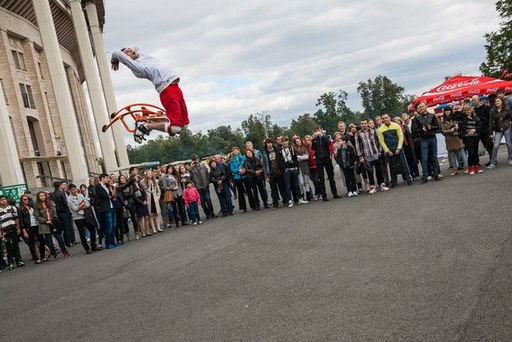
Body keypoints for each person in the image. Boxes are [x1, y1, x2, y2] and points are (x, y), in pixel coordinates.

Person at [111, 47, 189, 143]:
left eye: (130, 49)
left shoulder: (142, 55)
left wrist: (128, 51)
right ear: (126, 59)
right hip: (167, 90)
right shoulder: (138, 68)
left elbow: (136, 48)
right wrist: (115, 60)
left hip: (176, 88)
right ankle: (145, 126)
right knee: (176, 128)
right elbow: (117, 53)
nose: (131, 50)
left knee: (184, 126)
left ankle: (155, 121)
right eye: (127, 52)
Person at [354, 119, 389, 194]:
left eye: (365, 123)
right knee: (369, 172)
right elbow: (357, 146)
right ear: (360, 125)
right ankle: (373, 186)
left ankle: (382, 184)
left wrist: (379, 152)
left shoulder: (373, 131)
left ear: (367, 124)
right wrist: (360, 156)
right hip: (366, 156)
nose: (363, 125)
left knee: (379, 170)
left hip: (375, 153)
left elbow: (379, 141)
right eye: (362, 123)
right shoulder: (358, 133)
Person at [378, 114, 412, 187]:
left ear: (389, 118)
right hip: (389, 151)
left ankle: (408, 178)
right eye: (383, 118)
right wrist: (387, 151)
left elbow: (401, 136)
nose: (385, 119)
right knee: (392, 166)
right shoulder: (381, 129)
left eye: (386, 118)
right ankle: (393, 181)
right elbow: (382, 141)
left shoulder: (396, 126)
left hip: (398, 149)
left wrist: (399, 148)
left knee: (403, 164)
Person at [411, 102, 441, 184]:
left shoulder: (432, 115)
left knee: (434, 157)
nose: (421, 108)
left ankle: (436, 174)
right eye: (419, 107)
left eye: (422, 106)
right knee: (424, 159)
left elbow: (437, 126)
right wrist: (421, 129)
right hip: (424, 139)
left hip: (432, 138)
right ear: (417, 109)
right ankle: (425, 176)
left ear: (426, 107)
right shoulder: (416, 119)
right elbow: (414, 130)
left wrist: (432, 127)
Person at [34, 191, 70, 258]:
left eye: (43, 195)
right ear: (38, 197)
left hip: (53, 223)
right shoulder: (36, 206)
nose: (43, 197)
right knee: (49, 241)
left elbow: (54, 212)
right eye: (41, 196)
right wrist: (45, 221)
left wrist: (53, 219)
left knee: (60, 239)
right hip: (45, 225)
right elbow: (37, 217)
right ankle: (54, 253)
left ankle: (65, 252)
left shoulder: (49, 203)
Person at [311, 126, 340, 201]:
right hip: (319, 159)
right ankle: (324, 195)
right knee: (321, 178)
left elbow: (328, 143)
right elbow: (313, 148)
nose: (318, 131)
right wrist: (314, 139)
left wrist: (322, 136)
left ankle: (335, 193)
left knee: (331, 176)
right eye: (317, 130)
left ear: (322, 130)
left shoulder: (326, 137)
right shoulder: (315, 139)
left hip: (327, 158)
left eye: (320, 130)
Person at [67, 184, 97, 254]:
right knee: (82, 233)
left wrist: (81, 206)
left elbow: (88, 204)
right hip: (78, 218)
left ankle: (93, 246)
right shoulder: (69, 199)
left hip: (85, 215)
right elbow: (75, 209)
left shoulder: (80, 195)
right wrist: (81, 205)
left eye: (75, 188)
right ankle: (87, 248)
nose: (74, 190)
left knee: (92, 229)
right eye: (72, 189)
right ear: (70, 190)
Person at [18, 194, 47, 264]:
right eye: (25, 199)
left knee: (42, 241)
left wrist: (29, 197)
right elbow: (21, 221)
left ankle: (42, 256)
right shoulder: (21, 210)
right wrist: (24, 231)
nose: (27, 200)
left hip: (36, 225)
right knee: (32, 244)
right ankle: (36, 258)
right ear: (22, 201)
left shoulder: (31, 207)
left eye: (27, 199)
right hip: (29, 227)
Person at [441, 106, 468, 176]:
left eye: (449, 110)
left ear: (451, 111)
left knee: (462, 153)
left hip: (457, 137)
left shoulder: (455, 117)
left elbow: (459, 126)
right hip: (449, 139)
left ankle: (466, 167)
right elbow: (443, 131)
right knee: (452, 155)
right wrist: (451, 130)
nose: (447, 112)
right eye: (446, 111)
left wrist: (456, 128)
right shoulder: (443, 120)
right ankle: (454, 169)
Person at [0, 195, 25, 270]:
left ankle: (19, 261)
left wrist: (18, 228)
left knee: (16, 245)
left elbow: (16, 218)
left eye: (4, 199)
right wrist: (1, 233)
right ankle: (11, 263)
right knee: (8, 247)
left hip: (13, 229)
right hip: (5, 231)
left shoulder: (12, 208)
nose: (3, 201)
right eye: (1, 200)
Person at [488, 97, 512, 169]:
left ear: (502, 102)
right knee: (495, 145)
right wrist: (491, 133)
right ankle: (493, 162)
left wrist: (510, 124)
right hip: (498, 129)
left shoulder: (507, 109)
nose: (497, 103)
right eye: (496, 102)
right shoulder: (492, 111)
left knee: (509, 143)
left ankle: (510, 159)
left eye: (498, 101)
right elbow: (490, 122)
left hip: (507, 127)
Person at [95, 174, 117, 249]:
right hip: (105, 208)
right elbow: (105, 196)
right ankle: (108, 243)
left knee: (113, 225)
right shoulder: (98, 187)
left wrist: (112, 188)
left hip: (111, 206)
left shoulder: (107, 186)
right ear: (102, 178)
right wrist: (109, 196)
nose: (108, 179)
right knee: (109, 226)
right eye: (107, 178)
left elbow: (112, 195)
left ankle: (113, 241)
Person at [229, 146, 255, 212]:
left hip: (245, 176)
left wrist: (243, 170)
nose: (235, 151)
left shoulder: (243, 157)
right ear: (232, 152)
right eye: (234, 150)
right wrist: (238, 170)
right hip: (237, 177)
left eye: (236, 150)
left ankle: (253, 205)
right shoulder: (232, 160)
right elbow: (232, 169)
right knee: (240, 192)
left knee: (249, 190)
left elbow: (246, 165)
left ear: (239, 151)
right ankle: (243, 207)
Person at [50, 181, 75, 247]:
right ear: (59, 186)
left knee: (60, 228)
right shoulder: (61, 193)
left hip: (57, 213)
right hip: (64, 212)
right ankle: (68, 242)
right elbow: (65, 203)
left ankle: (63, 243)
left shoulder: (52, 194)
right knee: (66, 228)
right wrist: (68, 210)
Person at [459, 106, 482, 174]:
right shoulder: (462, 118)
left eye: (468, 110)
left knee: (475, 153)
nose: (467, 111)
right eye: (466, 110)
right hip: (467, 138)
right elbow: (461, 129)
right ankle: (470, 168)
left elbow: (480, 125)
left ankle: (477, 167)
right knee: (471, 152)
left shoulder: (475, 117)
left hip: (475, 137)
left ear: (471, 110)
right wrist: (468, 132)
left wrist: (475, 130)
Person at [472, 95, 493, 165]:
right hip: (479, 130)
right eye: (473, 100)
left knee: (489, 144)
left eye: (474, 100)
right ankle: (491, 159)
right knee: (485, 145)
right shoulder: (474, 110)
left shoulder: (486, 108)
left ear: (478, 100)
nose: (473, 101)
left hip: (487, 129)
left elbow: (490, 119)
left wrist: (491, 129)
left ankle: (492, 159)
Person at [293, 136, 313, 202]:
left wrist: (299, 157)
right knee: (301, 182)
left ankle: (308, 196)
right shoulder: (294, 149)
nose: (298, 142)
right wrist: (302, 156)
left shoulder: (304, 148)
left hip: (305, 166)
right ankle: (301, 195)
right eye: (297, 142)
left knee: (306, 182)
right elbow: (295, 158)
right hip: (298, 167)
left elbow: (307, 157)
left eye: (299, 141)